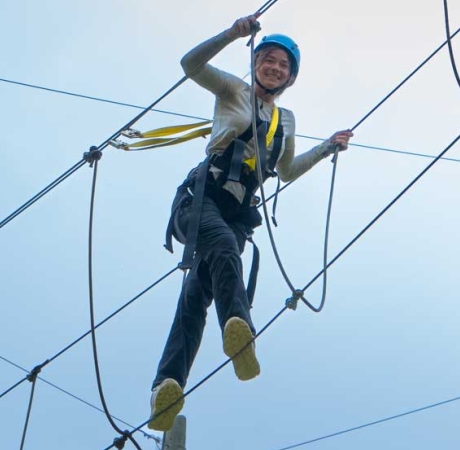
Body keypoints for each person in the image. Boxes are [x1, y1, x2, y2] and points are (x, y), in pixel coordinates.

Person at [148, 14, 353, 432]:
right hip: (201, 200)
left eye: (284, 66)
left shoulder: (286, 119)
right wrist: (231, 34)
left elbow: (289, 169)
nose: (275, 68)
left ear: (291, 78)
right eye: (269, 60)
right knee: (222, 245)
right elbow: (190, 65)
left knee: (193, 302)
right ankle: (239, 330)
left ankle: (165, 387)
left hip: (238, 214)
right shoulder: (232, 90)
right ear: (256, 61)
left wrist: (327, 148)